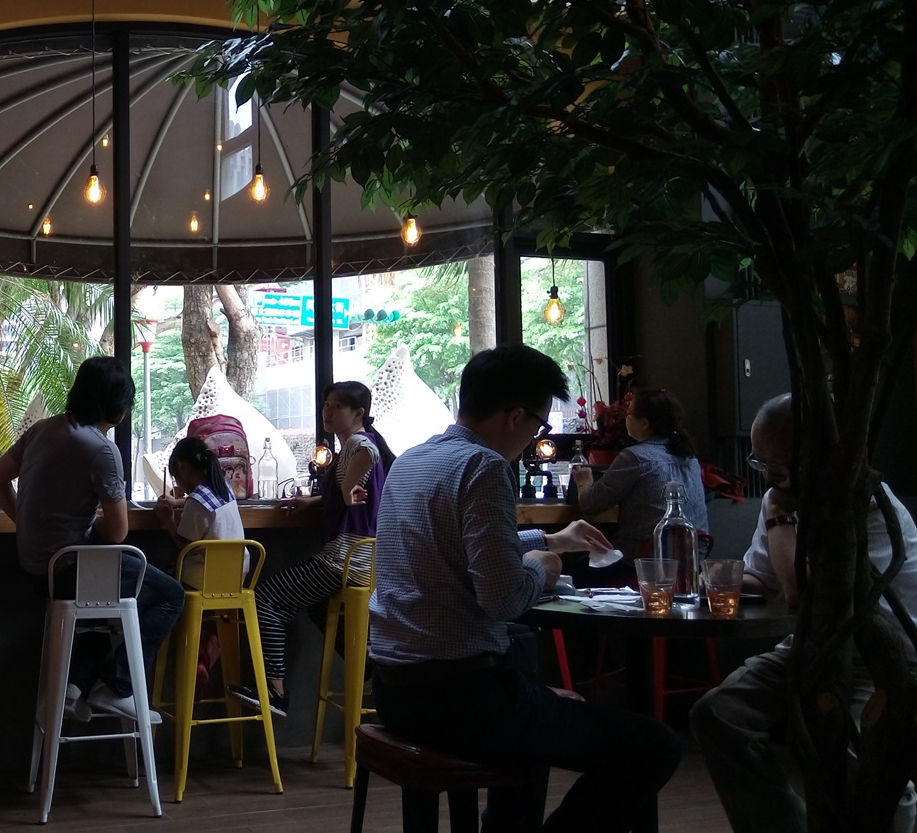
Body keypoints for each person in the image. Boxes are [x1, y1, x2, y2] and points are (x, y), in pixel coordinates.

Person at [369, 343, 680, 832]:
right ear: (515, 415)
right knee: (655, 745)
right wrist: (542, 567)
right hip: (464, 702)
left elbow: (457, 543)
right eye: (539, 425)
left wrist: (550, 538)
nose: (537, 436)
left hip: (396, 694)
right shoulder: (485, 467)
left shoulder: (411, 461)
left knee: (532, 705)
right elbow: (504, 600)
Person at [690, 393, 917, 833]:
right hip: (818, 645)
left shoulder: (861, 500)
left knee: (861, 762)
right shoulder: (783, 495)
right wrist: (706, 579)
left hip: (884, 654)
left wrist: (778, 518)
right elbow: (762, 577)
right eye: (759, 462)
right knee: (719, 714)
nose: (766, 476)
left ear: (814, 454)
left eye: (774, 465)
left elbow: (801, 593)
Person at [0, 356, 184, 723]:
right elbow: (119, 532)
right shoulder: (102, 449)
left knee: (103, 609)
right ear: (119, 408)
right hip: (71, 572)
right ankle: (117, 687)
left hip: (36, 570)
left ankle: (73, 686)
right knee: (170, 595)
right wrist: (92, 529)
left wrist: (25, 523)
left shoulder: (41, 429)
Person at [236, 380, 393, 717]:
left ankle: (275, 692)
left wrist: (349, 490)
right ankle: (367, 663)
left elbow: (366, 456)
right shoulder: (353, 444)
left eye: (337, 406)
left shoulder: (359, 443)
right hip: (360, 557)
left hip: (347, 558)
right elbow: (348, 485)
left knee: (266, 599)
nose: (328, 411)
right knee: (318, 605)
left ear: (358, 413)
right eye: (326, 405)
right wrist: (314, 502)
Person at [572, 387, 709, 586]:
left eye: (628, 415)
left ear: (644, 423)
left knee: (571, 564)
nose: (625, 419)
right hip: (690, 565)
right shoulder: (690, 459)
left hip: (644, 563)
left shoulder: (635, 457)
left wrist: (584, 482)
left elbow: (591, 504)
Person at [154, 436, 250, 684]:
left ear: (182, 467)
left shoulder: (196, 503)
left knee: (163, 593)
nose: (177, 483)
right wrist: (179, 502)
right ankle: (202, 654)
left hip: (205, 578)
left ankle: (204, 644)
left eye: (176, 477)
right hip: (235, 575)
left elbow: (183, 545)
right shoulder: (224, 489)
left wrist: (167, 520)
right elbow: (201, 504)